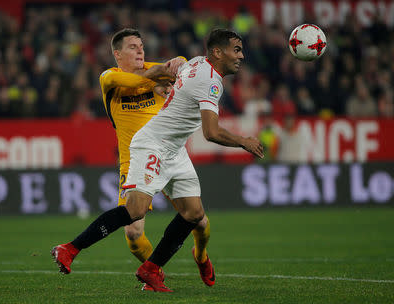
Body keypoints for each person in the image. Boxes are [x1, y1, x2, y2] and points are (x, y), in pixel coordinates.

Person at [52, 29, 264, 293]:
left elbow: (184, 65)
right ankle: (71, 249)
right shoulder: (110, 77)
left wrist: (176, 64)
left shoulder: (194, 68)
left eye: (141, 46)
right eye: (132, 47)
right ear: (117, 54)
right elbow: (208, 130)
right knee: (134, 217)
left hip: (174, 150)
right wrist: (243, 141)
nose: (140, 50)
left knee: (197, 216)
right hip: (146, 147)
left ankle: (191, 258)